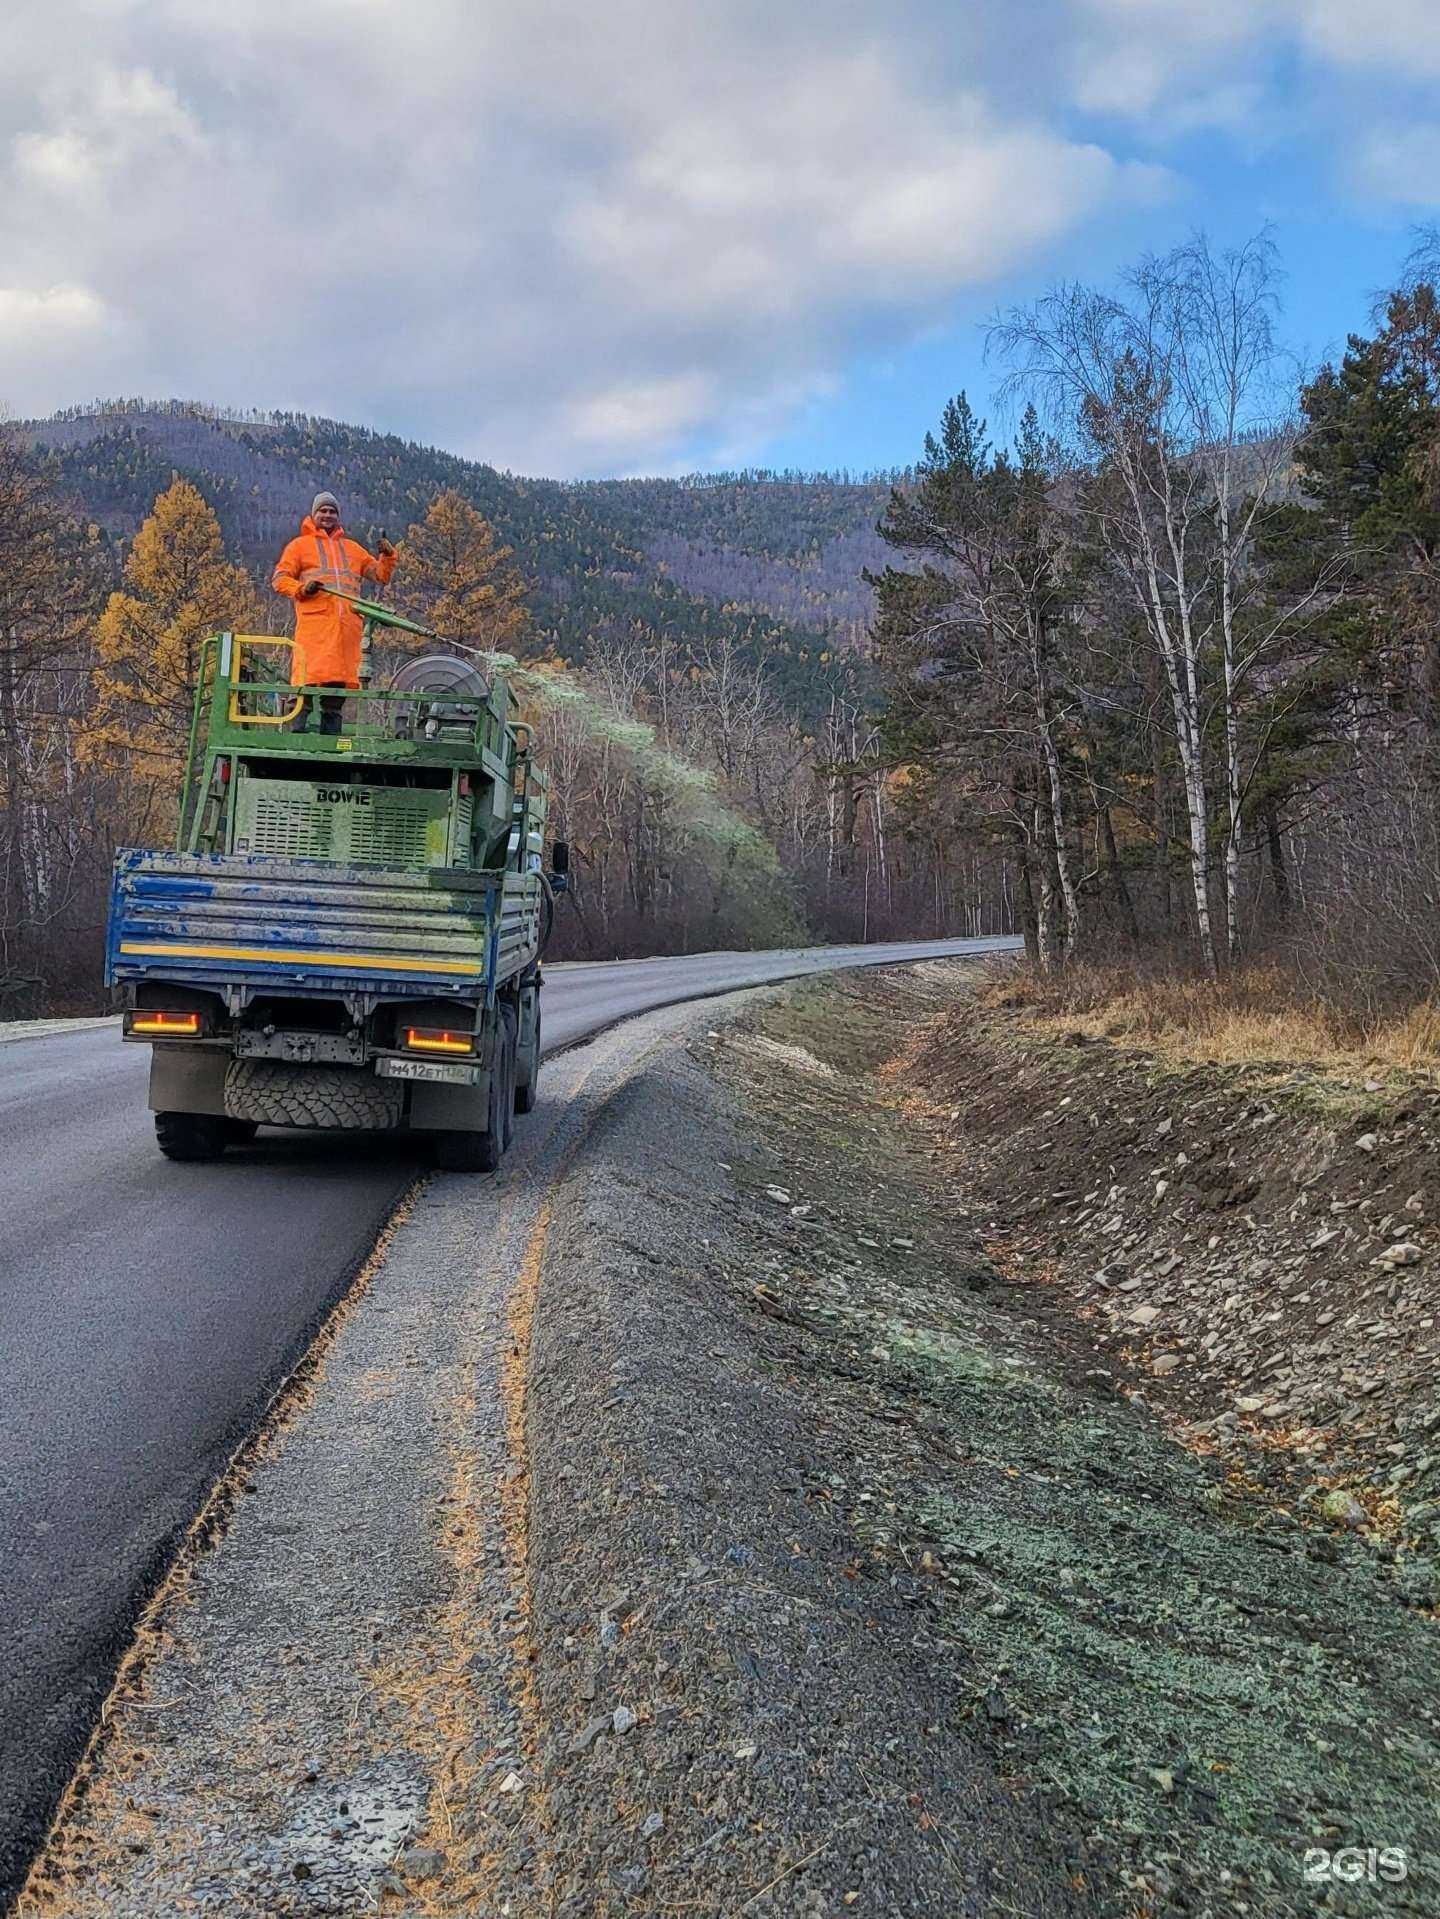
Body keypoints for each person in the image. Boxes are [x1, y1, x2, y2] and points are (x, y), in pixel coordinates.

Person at [271, 492, 397, 734]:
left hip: (345, 633)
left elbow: (380, 575)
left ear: (338, 517)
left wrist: (388, 555)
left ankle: (331, 737)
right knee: (305, 684)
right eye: (323, 511)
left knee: (335, 689)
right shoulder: (299, 546)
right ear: (314, 514)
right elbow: (279, 579)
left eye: (332, 512)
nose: (327, 516)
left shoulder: (353, 549)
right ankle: (296, 735)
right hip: (313, 631)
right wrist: (301, 588)